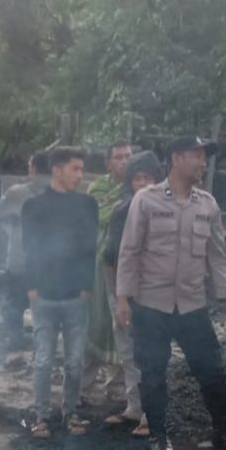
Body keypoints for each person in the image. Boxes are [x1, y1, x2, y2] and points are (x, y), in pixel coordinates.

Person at [115, 136, 226, 450]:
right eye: (197, 156)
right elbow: (129, 251)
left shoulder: (208, 204)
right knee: (153, 374)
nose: (203, 163)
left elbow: (216, 255)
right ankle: (159, 436)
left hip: (192, 305)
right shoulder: (146, 200)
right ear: (176, 158)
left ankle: (223, 430)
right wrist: (122, 298)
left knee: (212, 371)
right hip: (151, 305)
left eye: (205, 157)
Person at [21, 147, 100, 437]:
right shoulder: (33, 206)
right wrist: (30, 288)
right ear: (57, 170)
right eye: (75, 169)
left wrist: (86, 288)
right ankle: (41, 415)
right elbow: (28, 248)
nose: (80, 175)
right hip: (43, 296)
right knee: (42, 360)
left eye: (81, 169)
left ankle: (71, 412)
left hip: (75, 296)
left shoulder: (87, 204)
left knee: (75, 362)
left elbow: (90, 249)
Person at [101, 150, 160, 436]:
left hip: (154, 293)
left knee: (150, 353)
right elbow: (111, 256)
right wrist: (117, 298)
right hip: (125, 291)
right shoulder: (122, 211)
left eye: (149, 178)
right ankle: (134, 408)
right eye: (138, 178)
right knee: (128, 352)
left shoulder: (165, 210)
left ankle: (151, 413)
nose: (144, 184)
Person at [86, 142, 134, 397]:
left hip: (127, 266)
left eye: (128, 156)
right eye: (119, 157)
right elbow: (103, 215)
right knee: (96, 321)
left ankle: (116, 385)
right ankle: (85, 385)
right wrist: (126, 202)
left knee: (123, 323)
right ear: (108, 163)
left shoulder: (138, 188)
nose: (124, 161)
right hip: (100, 264)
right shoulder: (98, 188)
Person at [0, 151, 51, 351]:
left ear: (32, 168)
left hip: (20, 259)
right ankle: (44, 342)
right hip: (49, 264)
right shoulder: (59, 193)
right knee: (44, 306)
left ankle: (15, 337)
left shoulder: (17, 192)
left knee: (13, 303)